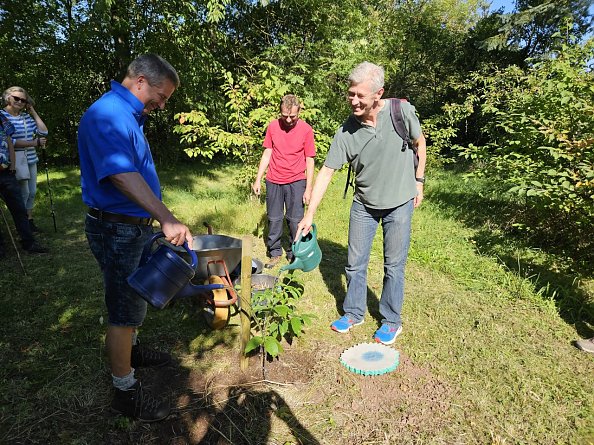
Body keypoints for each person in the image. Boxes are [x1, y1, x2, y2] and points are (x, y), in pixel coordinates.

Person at [77, 54, 193, 422]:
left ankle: (133, 351)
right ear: (140, 81)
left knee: (134, 299)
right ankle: (124, 392)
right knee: (123, 311)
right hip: (117, 229)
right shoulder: (108, 114)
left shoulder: (128, 115)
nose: (162, 104)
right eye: (161, 96)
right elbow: (121, 176)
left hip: (131, 226)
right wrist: (166, 218)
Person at [296, 62, 427, 345]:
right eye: (350, 94)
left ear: (378, 94)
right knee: (355, 264)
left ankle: (391, 320)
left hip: (400, 203)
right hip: (364, 205)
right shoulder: (346, 131)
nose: (354, 101)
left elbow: (420, 142)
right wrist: (309, 214)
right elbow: (327, 171)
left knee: (394, 265)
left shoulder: (400, 112)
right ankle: (354, 313)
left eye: (360, 95)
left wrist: (419, 181)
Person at [252, 94, 316, 268]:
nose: (288, 120)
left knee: (296, 220)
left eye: (292, 116)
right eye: (284, 115)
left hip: (296, 181)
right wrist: (258, 179)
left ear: (299, 112)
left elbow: (310, 159)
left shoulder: (306, 130)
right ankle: (274, 252)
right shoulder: (273, 127)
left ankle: (294, 253)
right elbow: (267, 153)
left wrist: (308, 188)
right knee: (274, 218)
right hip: (274, 179)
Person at [1, 87, 49, 233]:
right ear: (8, 98)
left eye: (23, 100)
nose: (20, 102)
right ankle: (23, 225)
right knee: (24, 193)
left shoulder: (25, 117)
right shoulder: (2, 116)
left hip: (31, 158)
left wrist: (32, 111)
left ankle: (29, 220)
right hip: (15, 159)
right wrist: (33, 143)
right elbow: (8, 141)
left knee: (32, 192)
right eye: (17, 98)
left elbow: (43, 131)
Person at [0, 112, 47, 257]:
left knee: (19, 208)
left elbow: (9, 141)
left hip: (7, 172)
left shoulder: (1, 119)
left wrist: (13, 166)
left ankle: (29, 243)